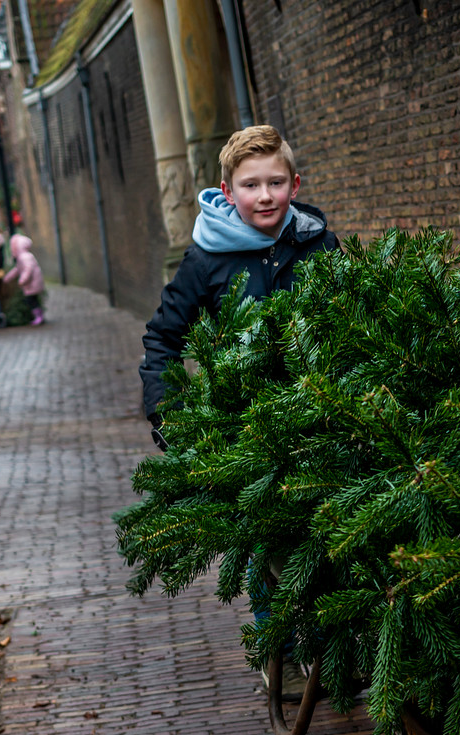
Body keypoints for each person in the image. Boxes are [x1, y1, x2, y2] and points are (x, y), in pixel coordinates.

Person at [139, 125, 339, 699]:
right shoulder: (205, 260)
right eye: (252, 185)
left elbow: (353, 304)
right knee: (266, 536)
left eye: (277, 182)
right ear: (228, 192)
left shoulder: (318, 242)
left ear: (295, 184)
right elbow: (163, 339)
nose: (266, 195)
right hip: (247, 421)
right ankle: (276, 647)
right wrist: (168, 411)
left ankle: (339, 640)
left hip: (324, 407)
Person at [5, 234, 46, 326]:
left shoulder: (24, 256)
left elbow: (28, 269)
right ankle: (39, 316)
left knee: (31, 300)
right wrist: (8, 277)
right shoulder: (23, 256)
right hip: (32, 283)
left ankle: (39, 317)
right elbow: (17, 269)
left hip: (31, 283)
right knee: (33, 299)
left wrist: (22, 280)